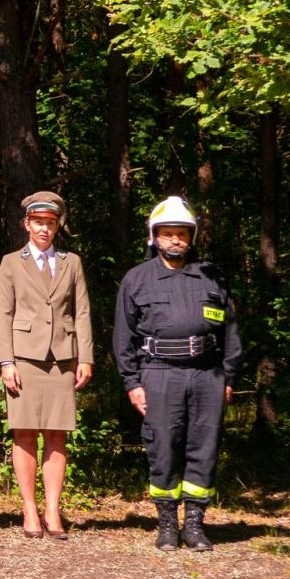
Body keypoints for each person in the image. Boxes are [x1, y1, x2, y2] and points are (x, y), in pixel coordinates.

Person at [113, 196, 240, 551]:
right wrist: (132, 382)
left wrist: (228, 377)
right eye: (167, 233)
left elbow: (230, 332)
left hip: (207, 375)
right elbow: (123, 336)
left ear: (191, 236)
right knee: (163, 447)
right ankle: (167, 524)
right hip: (159, 374)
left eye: (181, 234)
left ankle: (196, 524)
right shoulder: (137, 279)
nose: (175, 240)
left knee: (204, 447)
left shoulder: (211, 276)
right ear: (155, 237)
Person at [0, 191, 94, 540]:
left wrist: (86, 357)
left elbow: (81, 312)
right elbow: (3, 314)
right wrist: (6, 361)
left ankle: (53, 509)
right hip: (24, 358)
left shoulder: (72, 262)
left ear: (57, 226)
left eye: (50, 223)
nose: (44, 228)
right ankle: (29, 509)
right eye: (38, 222)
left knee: (56, 434)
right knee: (24, 433)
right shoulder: (10, 263)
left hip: (63, 360)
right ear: (27, 224)